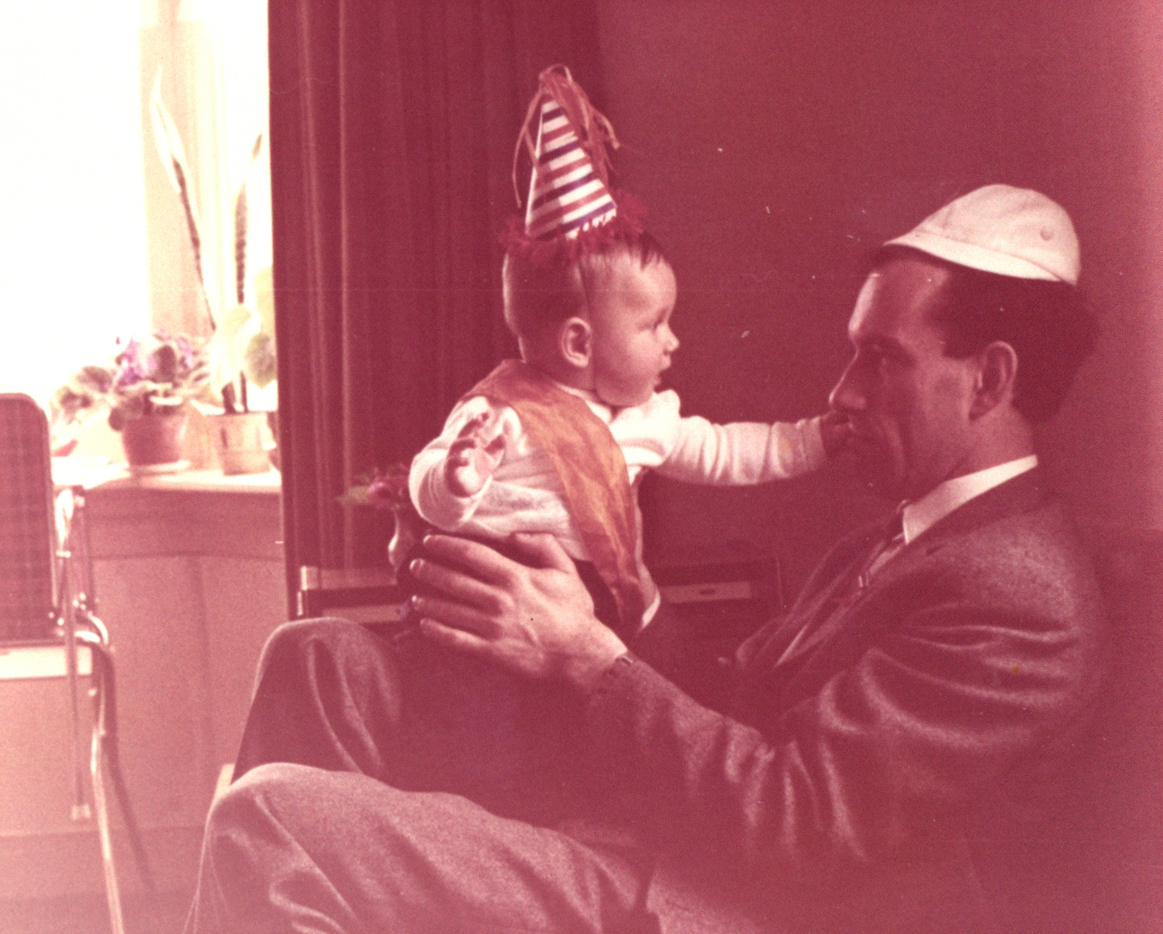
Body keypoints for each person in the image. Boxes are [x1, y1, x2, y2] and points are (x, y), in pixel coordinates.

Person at [184, 184, 1106, 934]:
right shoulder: (907, 538)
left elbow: (800, 825)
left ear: (988, 378)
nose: (841, 392)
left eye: (879, 360)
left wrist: (582, 651)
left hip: (727, 903)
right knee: (316, 656)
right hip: (680, 844)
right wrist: (630, 605)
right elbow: (738, 703)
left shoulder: (1019, 593)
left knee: (266, 818)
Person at [407, 67, 842, 642]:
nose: (673, 341)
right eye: (654, 325)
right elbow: (426, 486)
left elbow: (726, 450)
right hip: (489, 597)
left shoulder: (650, 419)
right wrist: (456, 480)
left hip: (591, 606)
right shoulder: (503, 413)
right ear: (580, 343)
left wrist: (816, 439)